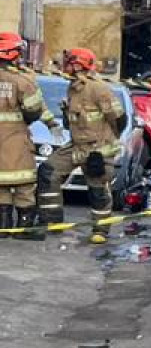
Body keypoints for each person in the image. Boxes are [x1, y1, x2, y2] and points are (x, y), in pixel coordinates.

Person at [36, 46, 125, 244]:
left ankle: (101, 229)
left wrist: (105, 149)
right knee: (48, 171)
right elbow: (75, 121)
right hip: (76, 144)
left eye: (68, 61)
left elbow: (119, 118)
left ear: (77, 64)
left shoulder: (98, 88)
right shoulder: (73, 87)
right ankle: (52, 222)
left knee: (97, 186)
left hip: (97, 147)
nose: (64, 65)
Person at [0, 33, 46, 239]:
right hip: (16, 139)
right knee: (24, 185)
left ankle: (3, 225)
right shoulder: (22, 80)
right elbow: (33, 109)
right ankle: (23, 226)